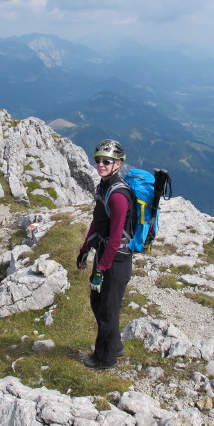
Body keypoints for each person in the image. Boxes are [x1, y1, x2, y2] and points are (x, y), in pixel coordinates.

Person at [77, 139, 134, 369]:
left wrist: (101, 269)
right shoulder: (103, 187)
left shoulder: (118, 197)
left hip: (116, 260)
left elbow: (115, 237)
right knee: (99, 303)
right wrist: (85, 249)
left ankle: (104, 359)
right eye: (98, 160)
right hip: (104, 254)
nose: (100, 164)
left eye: (106, 161)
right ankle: (116, 345)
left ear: (118, 164)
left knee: (107, 310)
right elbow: (98, 221)